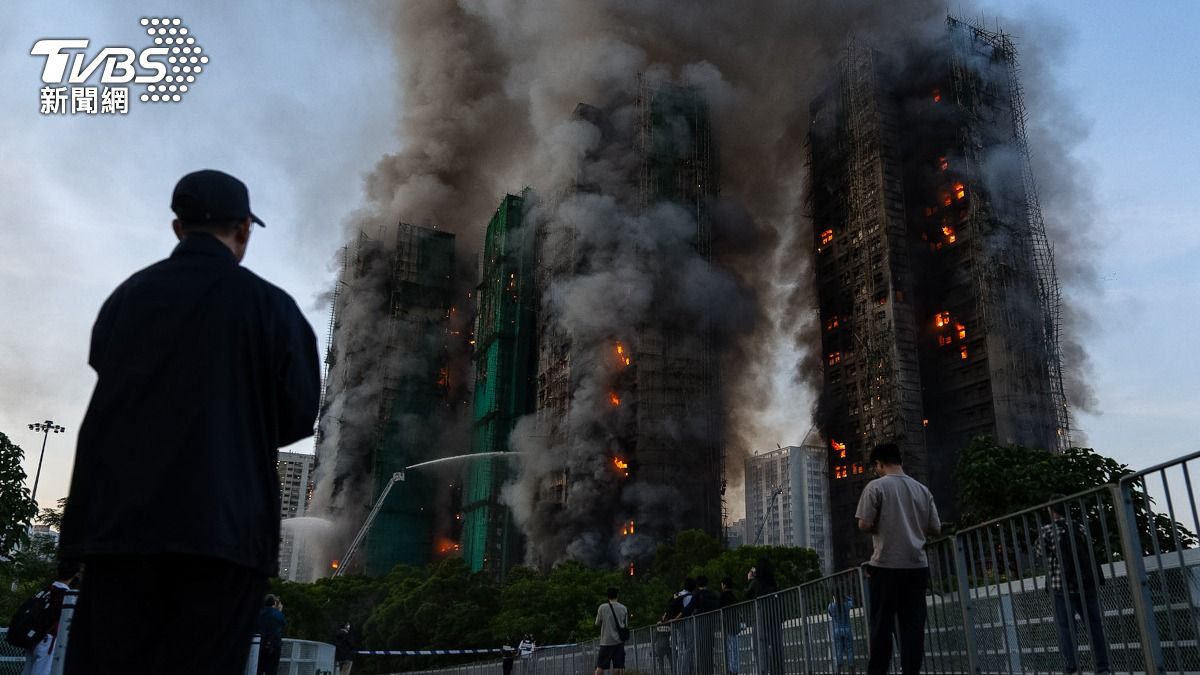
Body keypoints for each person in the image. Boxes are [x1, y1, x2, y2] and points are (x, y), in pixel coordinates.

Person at [58, 169, 321, 675]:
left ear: (178, 229)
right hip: (223, 535)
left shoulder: (127, 298)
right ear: (244, 229)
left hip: (118, 532)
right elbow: (297, 414)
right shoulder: (275, 310)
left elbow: (105, 370)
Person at [855, 442, 940, 675]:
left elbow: (864, 523)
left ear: (879, 464)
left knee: (882, 627)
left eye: (876, 467)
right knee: (913, 627)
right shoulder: (922, 490)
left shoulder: (875, 487)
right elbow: (935, 528)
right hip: (917, 566)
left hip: (886, 566)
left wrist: (880, 525)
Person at [1038, 496, 1111, 675]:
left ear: (1051, 510)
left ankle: (1073, 667)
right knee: (1094, 626)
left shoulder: (1047, 530)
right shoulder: (1079, 527)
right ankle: (1102, 668)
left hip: (1061, 585)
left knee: (1067, 628)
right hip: (1085, 584)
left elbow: (1040, 554)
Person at [19, 561, 81, 675]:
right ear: (75, 574)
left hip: (32, 639)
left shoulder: (45, 591)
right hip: (48, 640)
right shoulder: (66, 595)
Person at [746, 561, 782, 675]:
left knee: (760, 651)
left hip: (761, 619)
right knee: (776, 650)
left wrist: (750, 579)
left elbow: (747, 594)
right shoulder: (773, 584)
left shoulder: (756, 583)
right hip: (775, 620)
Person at [595, 586, 629, 675]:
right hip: (619, 642)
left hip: (606, 642)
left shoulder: (602, 607)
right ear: (617, 595)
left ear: (607, 596)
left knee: (600, 666)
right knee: (618, 667)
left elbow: (597, 623)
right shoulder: (624, 608)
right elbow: (625, 625)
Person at [257, 594, 287, 675]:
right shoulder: (277, 613)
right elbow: (284, 623)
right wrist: (280, 610)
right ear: (274, 603)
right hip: (274, 646)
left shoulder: (260, 612)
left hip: (259, 644)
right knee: (271, 670)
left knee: (258, 669)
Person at [827, 591, 855, 675]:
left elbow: (831, 615)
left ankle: (838, 670)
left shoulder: (831, 606)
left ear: (834, 597)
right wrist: (846, 597)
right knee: (850, 650)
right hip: (847, 629)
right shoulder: (847, 604)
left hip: (837, 630)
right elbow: (852, 602)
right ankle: (851, 670)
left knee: (839, 650)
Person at [719, 578, 740, 675]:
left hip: (728, 623)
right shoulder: (733, 595)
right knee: (735, 647)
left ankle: (732, 669)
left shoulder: (723, 596)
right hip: (735, 623)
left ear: (724, 585)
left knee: (731, 648)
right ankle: (734, 669)